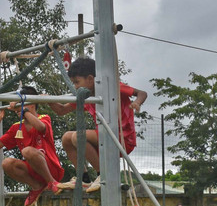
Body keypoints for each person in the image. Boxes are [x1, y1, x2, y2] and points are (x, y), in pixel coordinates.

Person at [51, 57, 147, 192]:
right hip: (103, 138)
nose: (75, 87)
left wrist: (137, 102)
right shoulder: (87, 96)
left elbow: (142, 93)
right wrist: (47, 100)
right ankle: (84, 179)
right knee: (67, 138)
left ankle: (103, 176)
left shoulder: (112, 87)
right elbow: (62, 110)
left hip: (122, 140)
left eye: (77, 82)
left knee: (78, 136)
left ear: (90, 79)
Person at [0, 88, 63, 206]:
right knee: (6, 163)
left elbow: (41, 127)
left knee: (27, 151)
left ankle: (52, 182)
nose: (18, 109)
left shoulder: (44, 118)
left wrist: (24, 111)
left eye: (21, 103)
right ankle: (36, 186)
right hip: (34, 171)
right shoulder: (16, 127)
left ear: (32, 104)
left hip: (51, 168)